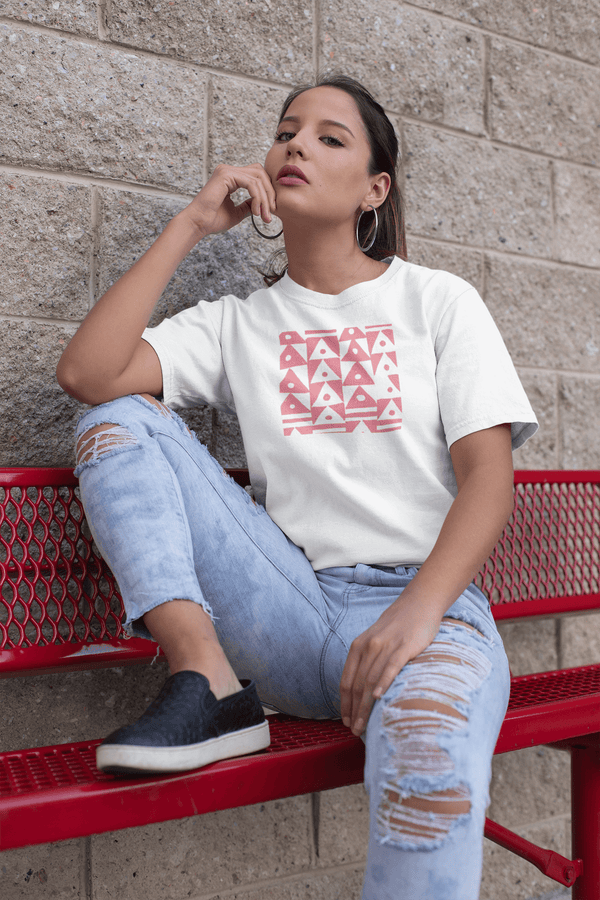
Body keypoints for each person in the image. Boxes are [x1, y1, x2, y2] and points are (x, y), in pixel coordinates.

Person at [57, 74, 537, 900]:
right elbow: (88, 373)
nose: (296, 146)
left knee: (427, 769)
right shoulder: (240, 321)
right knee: (115, 419)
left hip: (424, 616)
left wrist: (413, 616)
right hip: (292, 609)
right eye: (287, 131)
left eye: (329, 137)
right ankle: (204, 679)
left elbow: (490, 478)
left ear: (374, 190)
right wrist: (191, 226)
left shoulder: (436, 301)